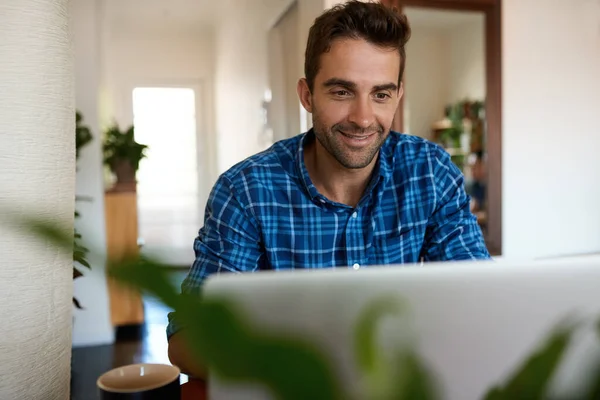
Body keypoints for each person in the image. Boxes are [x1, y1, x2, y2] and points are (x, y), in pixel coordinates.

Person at [167, 0, 490, 378]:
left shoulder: (430, 173)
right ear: (307, 95)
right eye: (341, 92)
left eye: (381, 94)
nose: (363, 118)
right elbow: (188, 338)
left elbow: (477, 301)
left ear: (398, 96)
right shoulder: (246, 191)